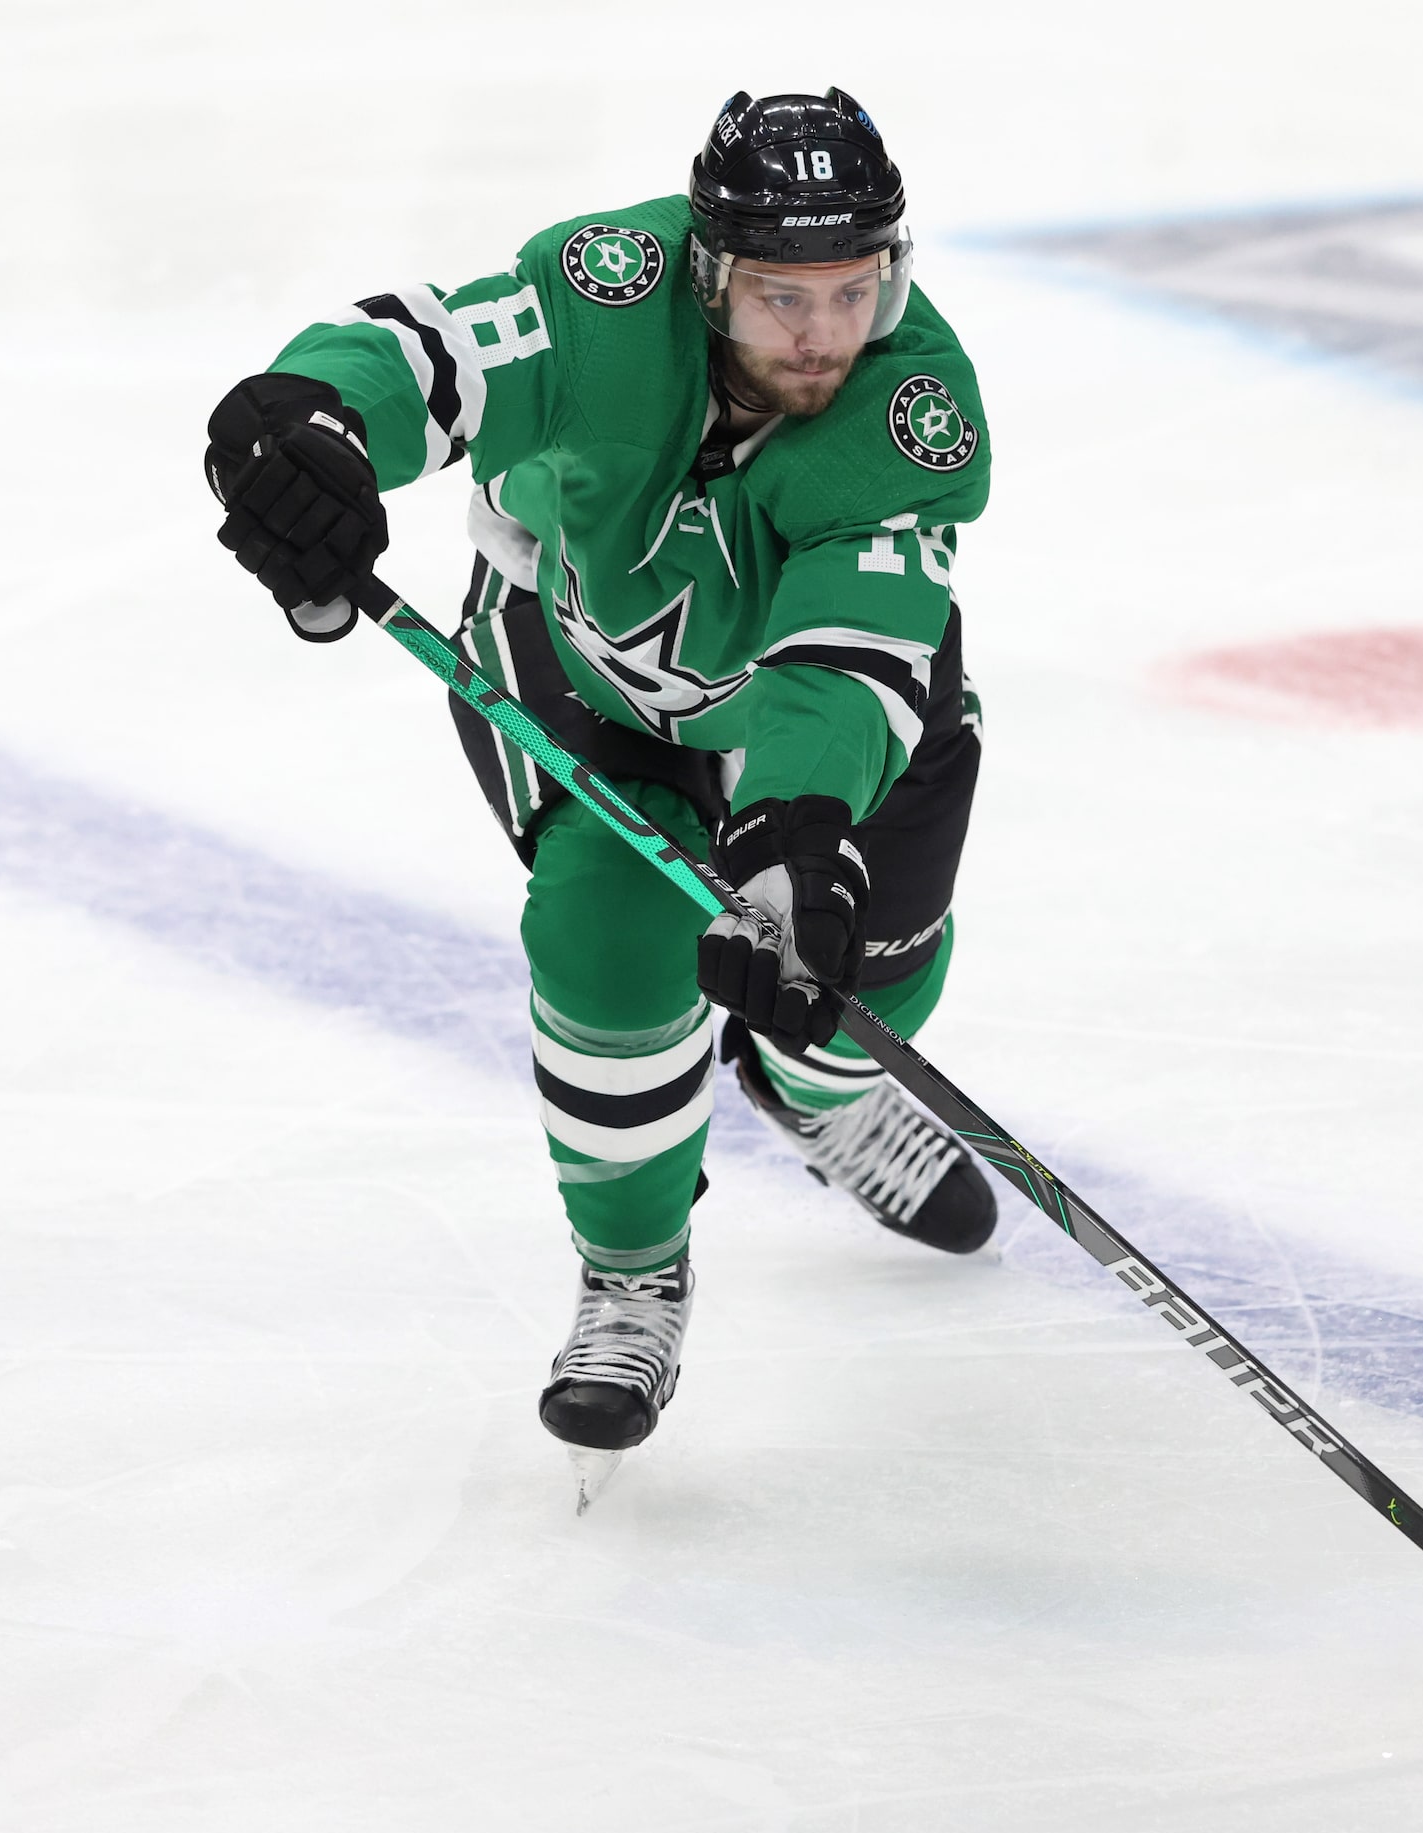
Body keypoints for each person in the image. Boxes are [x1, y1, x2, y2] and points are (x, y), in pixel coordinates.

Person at [204, 89, 995, 1469]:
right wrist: (315, 418)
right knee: (606, 933)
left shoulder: (915, 409)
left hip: (823, 715)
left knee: (860, 970)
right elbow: (432, 351)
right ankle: (632, 1275)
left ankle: (815, 1092)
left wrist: (798, 834)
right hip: (577, 653)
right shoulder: (602, 294)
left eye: (851, 293)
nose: (821, 337)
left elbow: (843, 664)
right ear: (706, 275)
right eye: (778, 298)